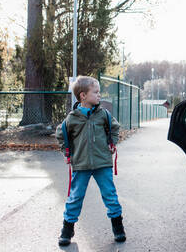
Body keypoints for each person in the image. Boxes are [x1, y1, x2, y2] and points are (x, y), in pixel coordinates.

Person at [56, 76, 125, 246]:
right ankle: (67, 229)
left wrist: (112, 142)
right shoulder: (72, 118)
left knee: (110, 196)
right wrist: (67, 152)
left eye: (99, 92)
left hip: (103, 163)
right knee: (75, 197)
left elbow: (115, 128)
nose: (99, 95)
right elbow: (60, 133)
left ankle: (118, 228)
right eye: (96, 92)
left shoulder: (103, 114)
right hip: (81, 164)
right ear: (83, 96)